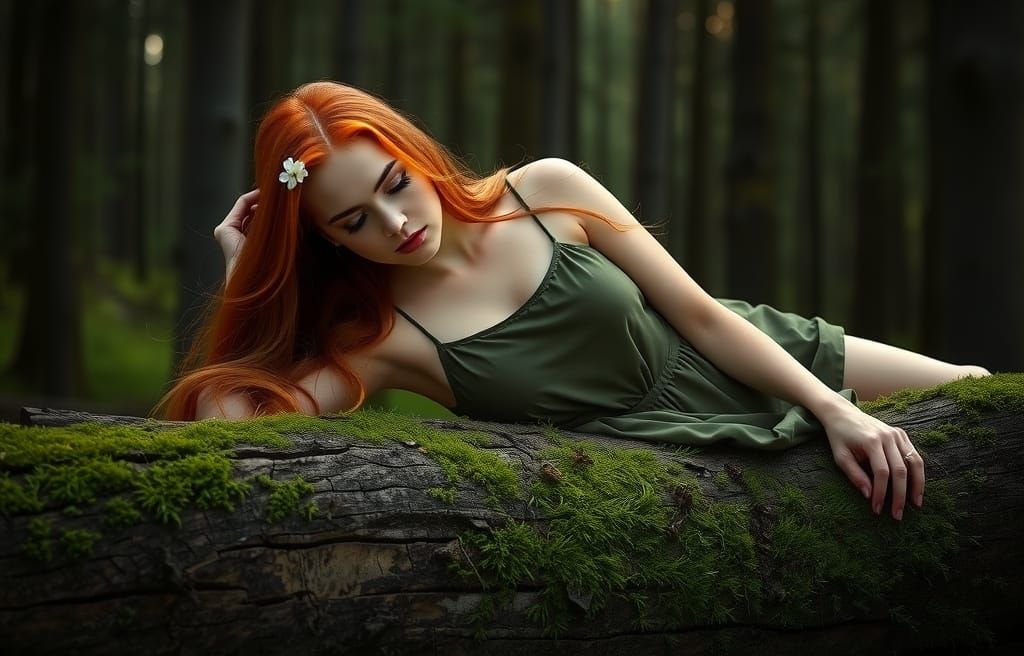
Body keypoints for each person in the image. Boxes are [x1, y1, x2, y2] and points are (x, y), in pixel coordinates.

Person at [149, 80, 992, 524]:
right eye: (355, 220)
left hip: (763, 356)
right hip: (672, 464)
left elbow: (700, 316)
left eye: (397, 184)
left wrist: (829, 407)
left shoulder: (544, 190)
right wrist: (245, 273)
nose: (399, 223)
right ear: (329, 240)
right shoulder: (382, 336)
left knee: (977, 391)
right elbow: (241, 430)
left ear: (411, 152)